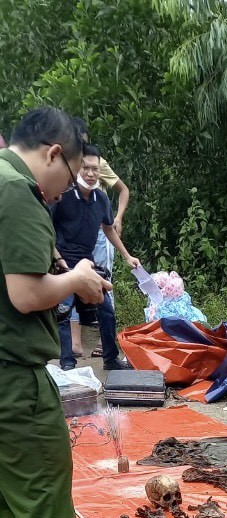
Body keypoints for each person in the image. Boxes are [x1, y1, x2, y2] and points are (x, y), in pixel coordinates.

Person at [0, 107, 110, 518]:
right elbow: (24, 295)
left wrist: (60, 268)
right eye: (67, 177)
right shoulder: (18, 193)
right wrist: (79, 281)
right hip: (15, 386)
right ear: (51, 155)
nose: (63, 192)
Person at [52, 143, 139, 371]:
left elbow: (109, 229)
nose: (90, 174)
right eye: (86, 168)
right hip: (62, 263)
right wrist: (55, 257)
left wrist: (127, 256)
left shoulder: (101, 199)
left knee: (107, 309)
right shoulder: (62, 196)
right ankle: (67, 364)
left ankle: (111, 359)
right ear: (77, 168)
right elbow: (45, 228)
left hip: (88, 263)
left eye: (95, 169)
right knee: (64, 310)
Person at [70, 118, 130, 357]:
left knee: (103, 283)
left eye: (80, 140)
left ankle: (106, 345)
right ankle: (74, 344)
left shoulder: (95, 164)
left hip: (99, 230)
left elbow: (123, 190)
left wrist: (118, 218)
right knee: (72, 283)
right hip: (74, 235)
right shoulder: (66, 164)